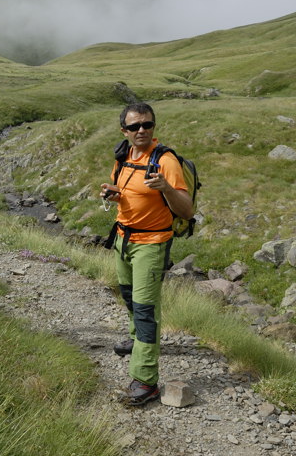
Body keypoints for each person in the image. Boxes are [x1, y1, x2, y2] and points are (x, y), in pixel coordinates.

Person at [100, 102, 193, 405]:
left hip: (151, 245)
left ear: (153, 126)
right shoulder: (123, 155)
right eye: (134, 126)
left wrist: (166, 187)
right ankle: (136, 339)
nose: (141, 130)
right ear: (123, 130)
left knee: (145, 310)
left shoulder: (165, 161)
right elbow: (126, 192)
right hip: (123, 239)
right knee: (128, 296)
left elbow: (187, 210)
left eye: (147, 125)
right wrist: (113, 194)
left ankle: (145, 380)